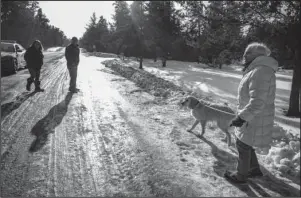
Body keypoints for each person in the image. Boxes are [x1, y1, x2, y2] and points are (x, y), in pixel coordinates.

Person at [225, 42, 278, 184]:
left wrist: (242, 118)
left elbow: (257, 102)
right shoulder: (257, 70)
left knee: (242, 145)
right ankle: (254, 169)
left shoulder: (260, 71)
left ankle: (241, 176)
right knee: (245, 143)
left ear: (255, 56)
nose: (244, 56)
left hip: (253, 117)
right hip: (252, 115)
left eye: (247, 53)